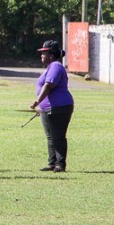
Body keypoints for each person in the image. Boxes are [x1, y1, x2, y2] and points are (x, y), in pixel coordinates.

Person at [31, 40, 74, 173]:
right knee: (50, 137)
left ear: (52, 54)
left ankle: (60, 164)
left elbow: (49, 85)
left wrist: (37, 101)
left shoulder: (56, 66)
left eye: (44, 53)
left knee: (58, 136)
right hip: (47, 108)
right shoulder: (50, 67)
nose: (42, 55)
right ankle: (52, 163)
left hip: (59, 107)